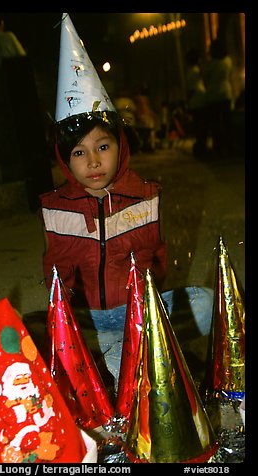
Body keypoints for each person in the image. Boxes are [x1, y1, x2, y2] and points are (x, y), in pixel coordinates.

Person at [39, 13, 214, 392]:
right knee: (37, 327)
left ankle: (134, 350)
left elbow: (158, 257)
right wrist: (66, 320)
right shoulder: (57, 207)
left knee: (207, 302)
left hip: (137, 311)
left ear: (121, 145)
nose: (95, 162)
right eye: (80, 153)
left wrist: (146, 310)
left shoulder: (145, 195)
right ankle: (126, 358)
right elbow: (57, 272)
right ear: (64, 159)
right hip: (89, 320)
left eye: (103, 146)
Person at [0, 14, 54, 211]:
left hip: (8, 84)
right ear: (1, 22)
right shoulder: (7, 36)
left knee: (22, 134)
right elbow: (20, 56)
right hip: (20, 80)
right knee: (33, 132)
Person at [203, 38, 234, 157]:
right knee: (227, 122)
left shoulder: (212, 63)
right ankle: (229, 147)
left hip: (213, 95)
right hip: (226, 92)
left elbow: (206, 78)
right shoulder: (228, 61)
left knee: (216, 124)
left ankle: (218, 148)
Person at [185, 47, 209, 158]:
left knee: (200, 128)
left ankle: (201, 149)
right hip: (198, 102)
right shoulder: (194, 71)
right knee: (201, 128)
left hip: (197, 102)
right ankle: (201, 150)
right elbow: (192, 89)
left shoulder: (192, 70)